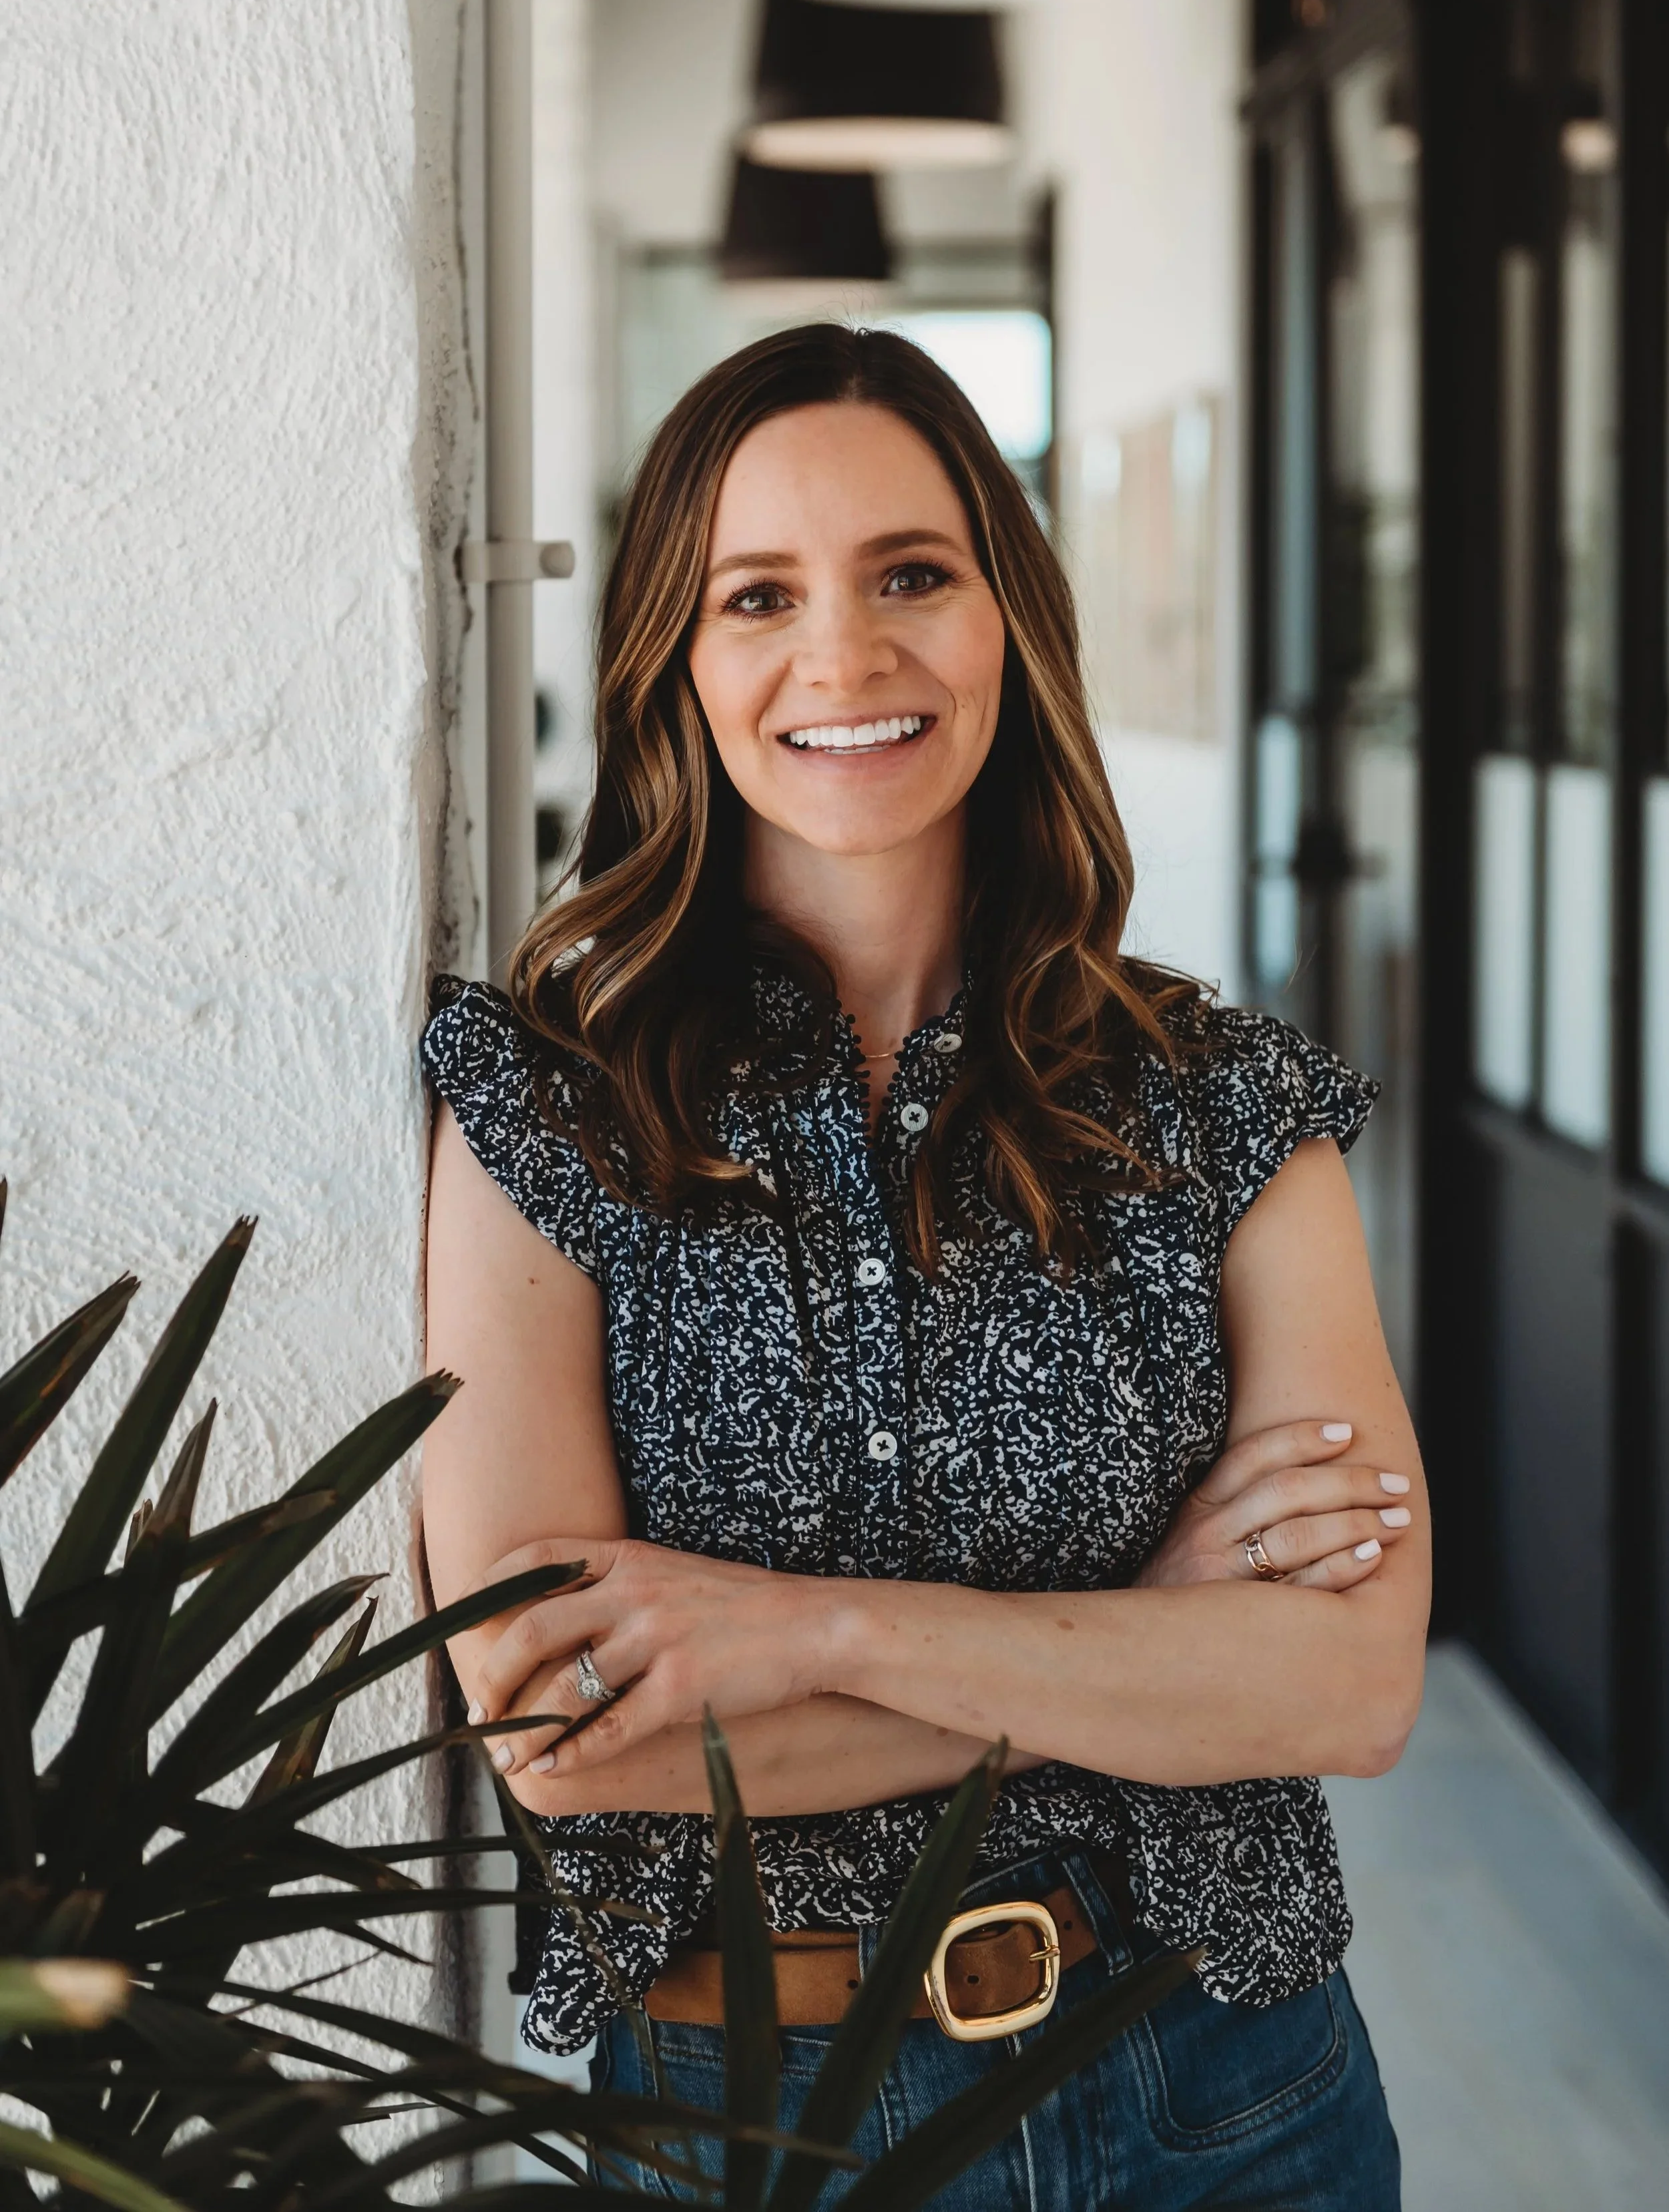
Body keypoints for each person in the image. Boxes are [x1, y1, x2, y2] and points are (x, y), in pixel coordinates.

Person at [421, 324, 1425, 2208]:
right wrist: (1147, 1627)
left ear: (1005, 619)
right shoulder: (545, 1110)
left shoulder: (1221, 1104)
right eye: (756, 595)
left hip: (1223, 2090)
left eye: (910, 574)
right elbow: (564, 1731)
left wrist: (810, 1628)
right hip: (751, 2117)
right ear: (675, 658)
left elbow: (1348, 1685)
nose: (845, 656)